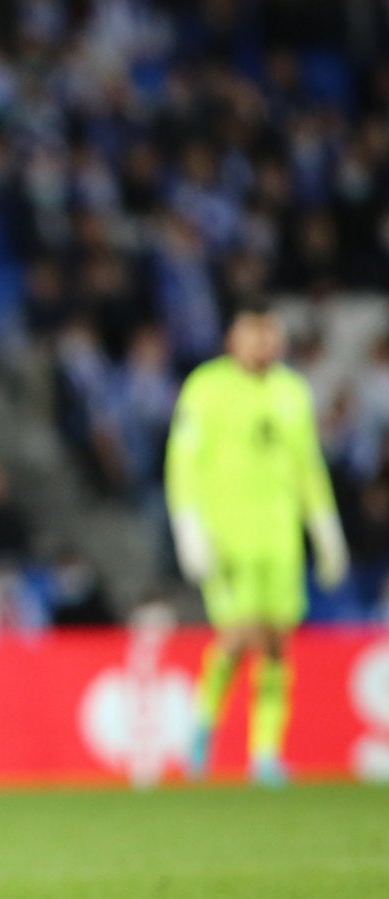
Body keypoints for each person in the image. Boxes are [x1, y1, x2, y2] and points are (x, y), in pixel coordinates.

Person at [166, 303, 347, 786]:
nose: (263, 343)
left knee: (276, 644)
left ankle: (265, 754)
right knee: (240, 633)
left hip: (280, 537)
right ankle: (203, 728)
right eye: (253, 334)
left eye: (270, 335)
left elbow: (308, 466)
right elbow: (182, 460)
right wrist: (188, 525)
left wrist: (325, 527)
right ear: (233, 339)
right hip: (228, 536)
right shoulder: (206, 387)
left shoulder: (292, 391)